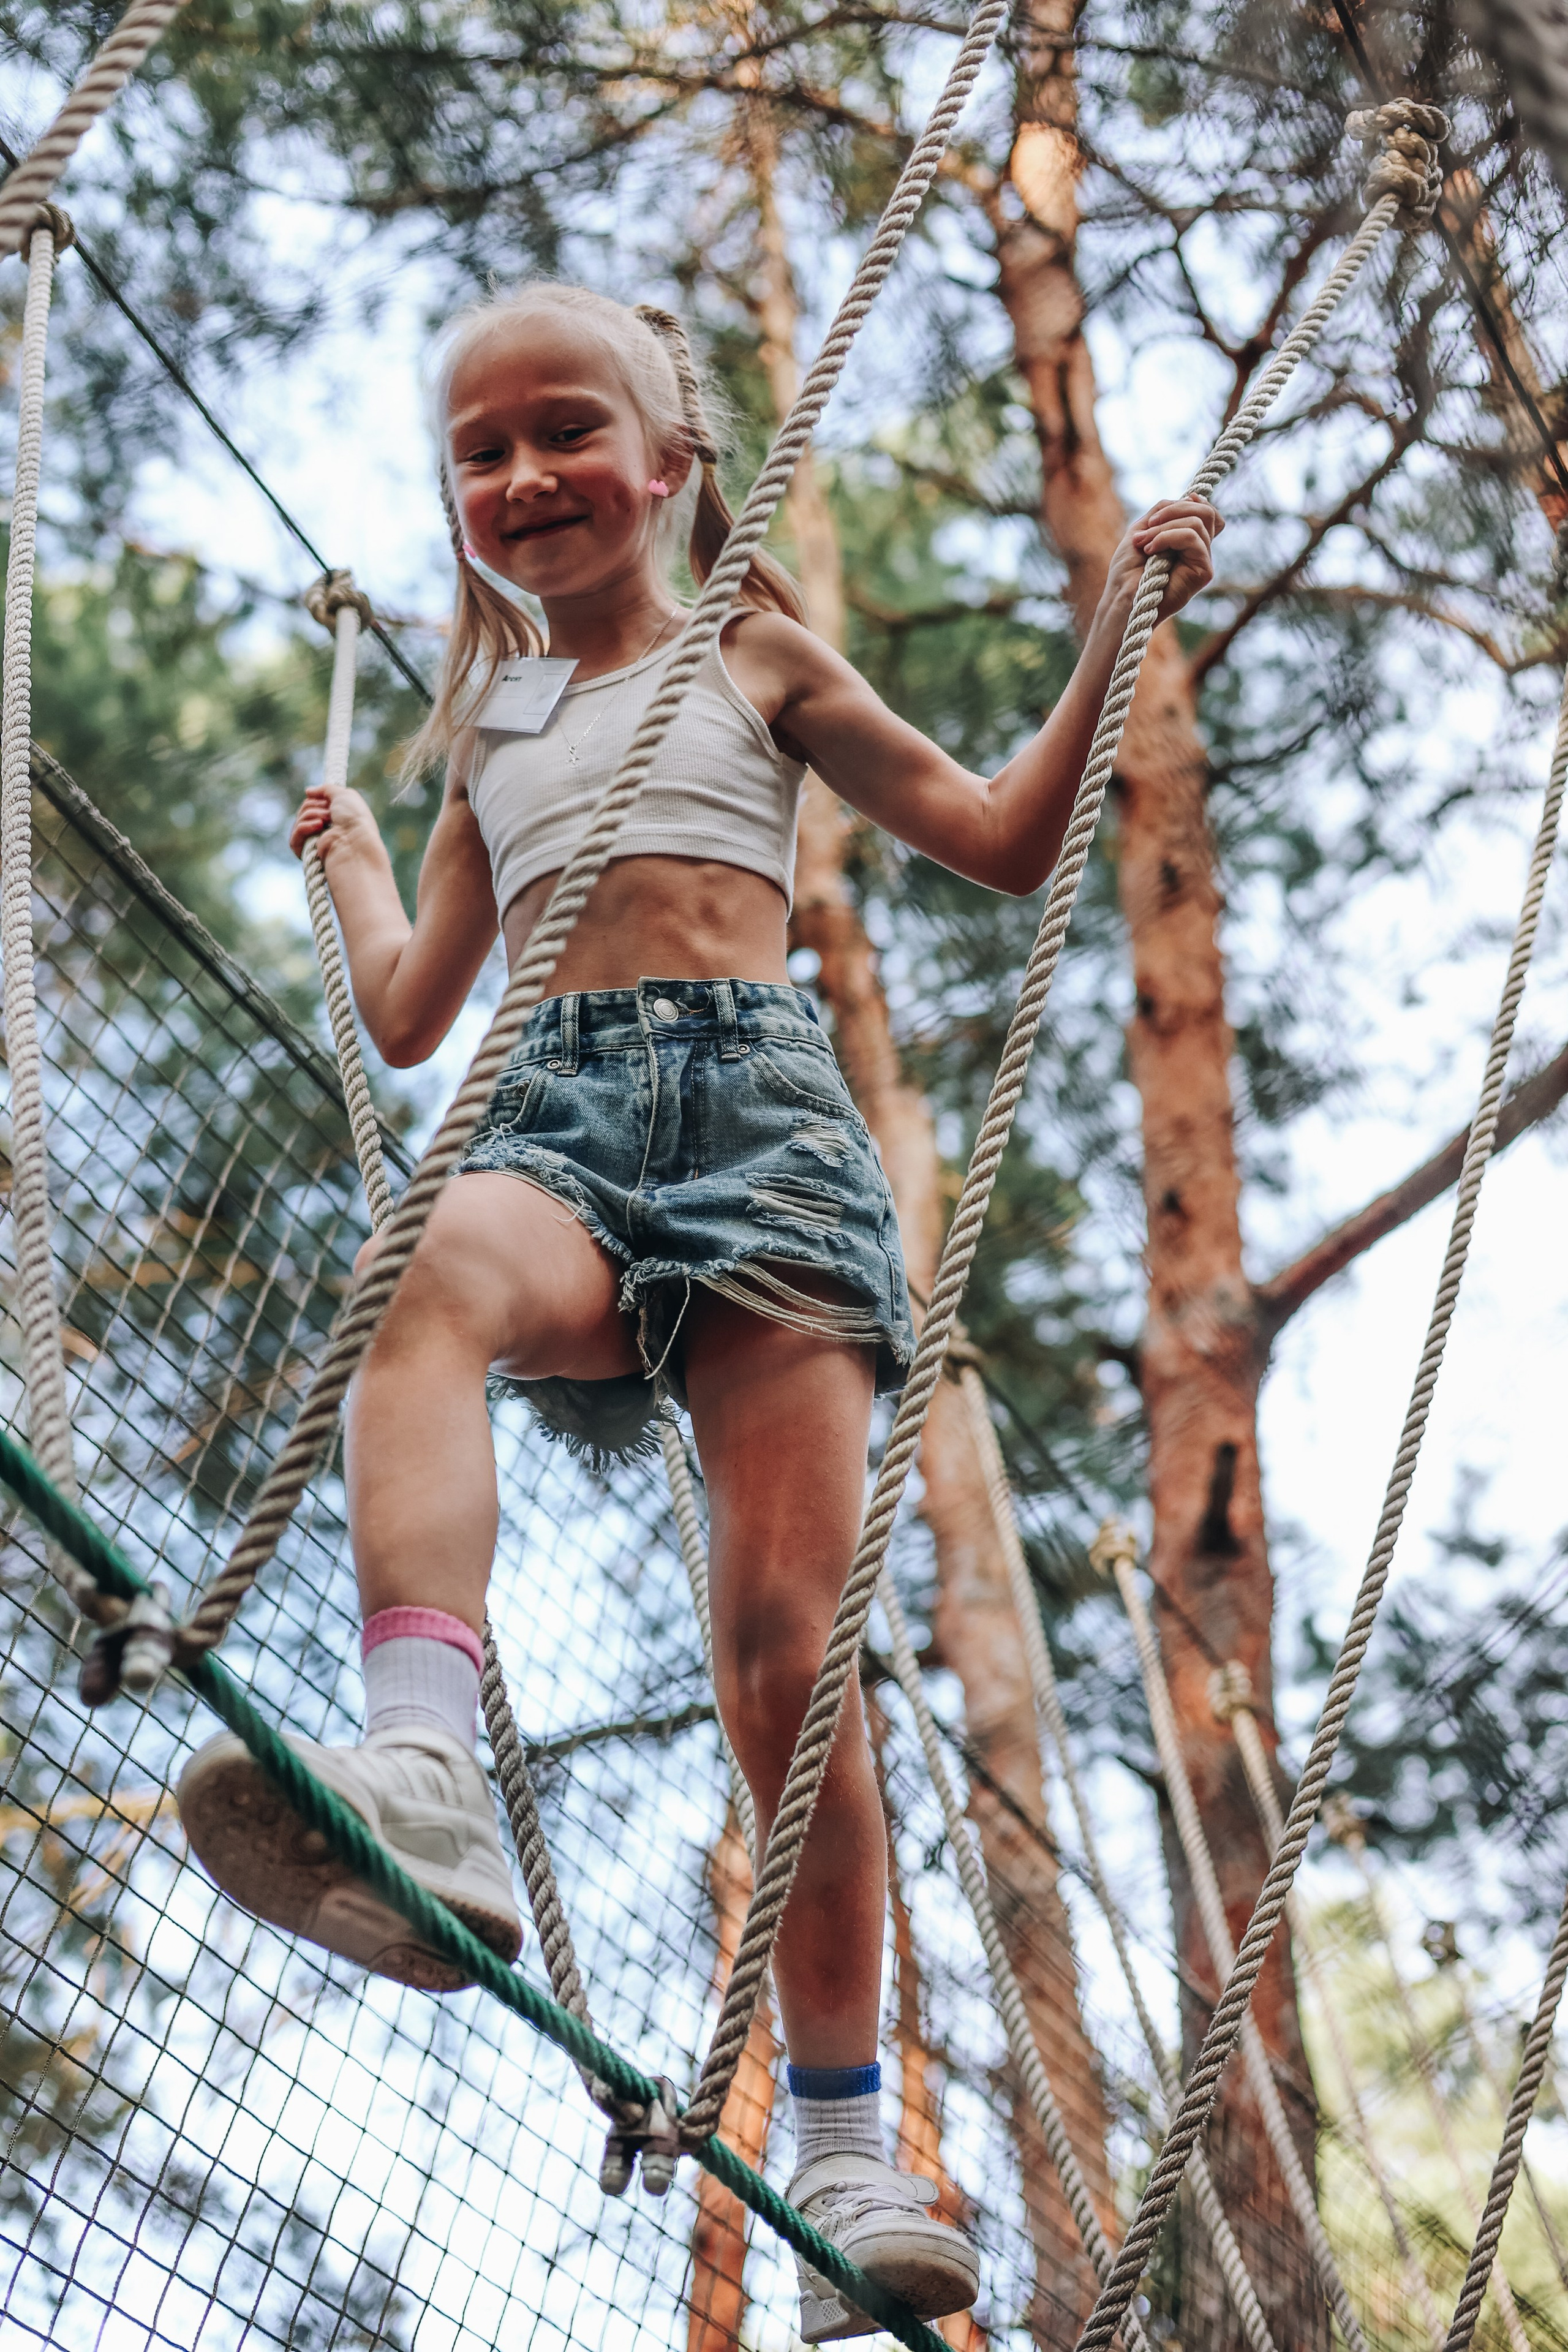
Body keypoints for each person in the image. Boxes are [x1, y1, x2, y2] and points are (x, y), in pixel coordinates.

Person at [178, 281, 1218, 2341]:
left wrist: (1120, 630)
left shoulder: (748, 652)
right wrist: (366, 864)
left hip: (756, 1132)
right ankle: (421, 1770)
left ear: (667, 469)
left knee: (782, 1668)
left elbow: (1004, 842)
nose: (524, 475)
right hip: (556, 1122)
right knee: (420, 1269)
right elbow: (407, 1022)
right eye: (480, 453)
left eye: (565, 431)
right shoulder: (487, 720)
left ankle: (844, 2132)